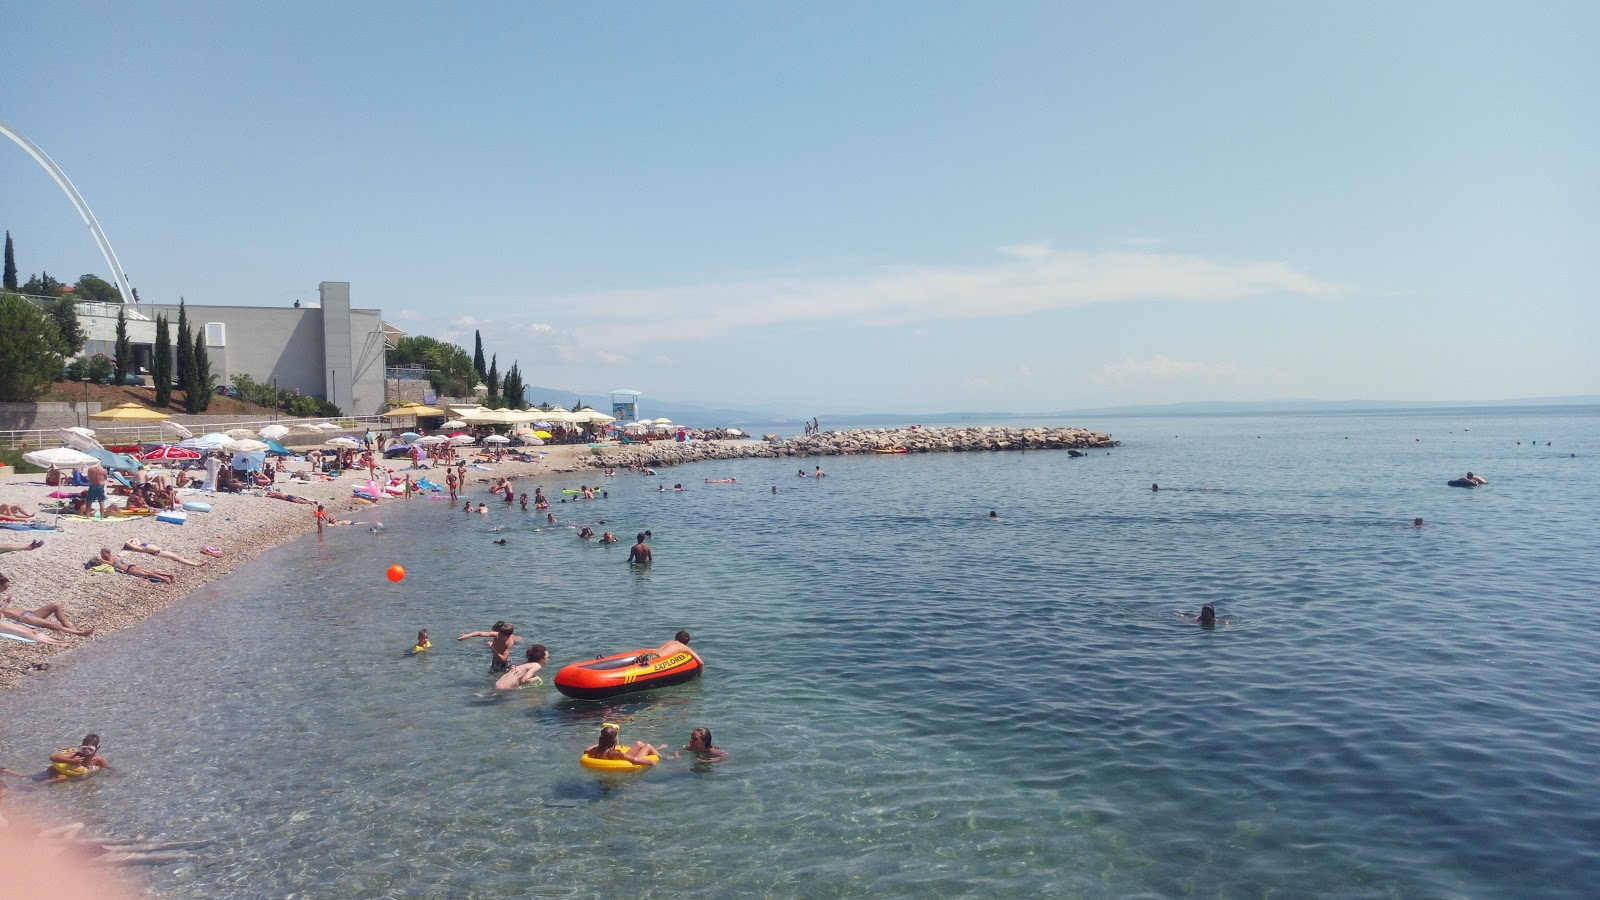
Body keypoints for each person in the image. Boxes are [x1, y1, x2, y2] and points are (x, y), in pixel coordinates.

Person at [0, 573, 92, 637]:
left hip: (29, 613)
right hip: (23, 618)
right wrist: (7, 602)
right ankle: (80, 633)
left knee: (55, 605)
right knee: (52, 625)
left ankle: (68, 627)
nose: (5, 589)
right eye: (4, 587)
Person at [584, 723, 661, 767]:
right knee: (647, 746)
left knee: (639, 744)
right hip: (624, 763)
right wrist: (651, 762)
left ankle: (655, 751)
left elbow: (585, 751)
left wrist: (602, 742)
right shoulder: (615, 753)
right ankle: (662, 757)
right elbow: (634, 760)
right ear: (615, 740)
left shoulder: (597, 750)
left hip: (614, 758)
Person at [44, 735, 111, 782]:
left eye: (90, 749)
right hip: (56, 771)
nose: (86, 752)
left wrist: (113, 775)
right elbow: (53, 757)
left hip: (70, 774)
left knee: (64, 778)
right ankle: (39, 786)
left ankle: (38, 787)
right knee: (62, 778)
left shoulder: (98, 759)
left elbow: (107, 768)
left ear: (97, 749)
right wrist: (71, 761)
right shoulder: (77, 754)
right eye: (84, 749)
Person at [97, 548, 176, 584]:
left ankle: (165, 579)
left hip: (130, 569)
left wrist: (101, 560)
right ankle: (169, 575)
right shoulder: (113, 557)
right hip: (131, 566)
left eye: (103, 554)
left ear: (106, 553)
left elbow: (110, 563)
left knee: (148, 574)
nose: (102, 556)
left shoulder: (110, 558)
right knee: (150, 572)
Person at [122, 539, 204, 568]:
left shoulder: (140, 544)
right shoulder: (138, 548)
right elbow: (127, 542)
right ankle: (196, 564)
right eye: (133, 543)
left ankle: (195, 564)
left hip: (161, 550)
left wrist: (133, 539)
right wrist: (130, 542)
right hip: (158, 552)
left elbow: (136, 538)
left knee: (178, 557)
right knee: (178, 558)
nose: (134, 542)